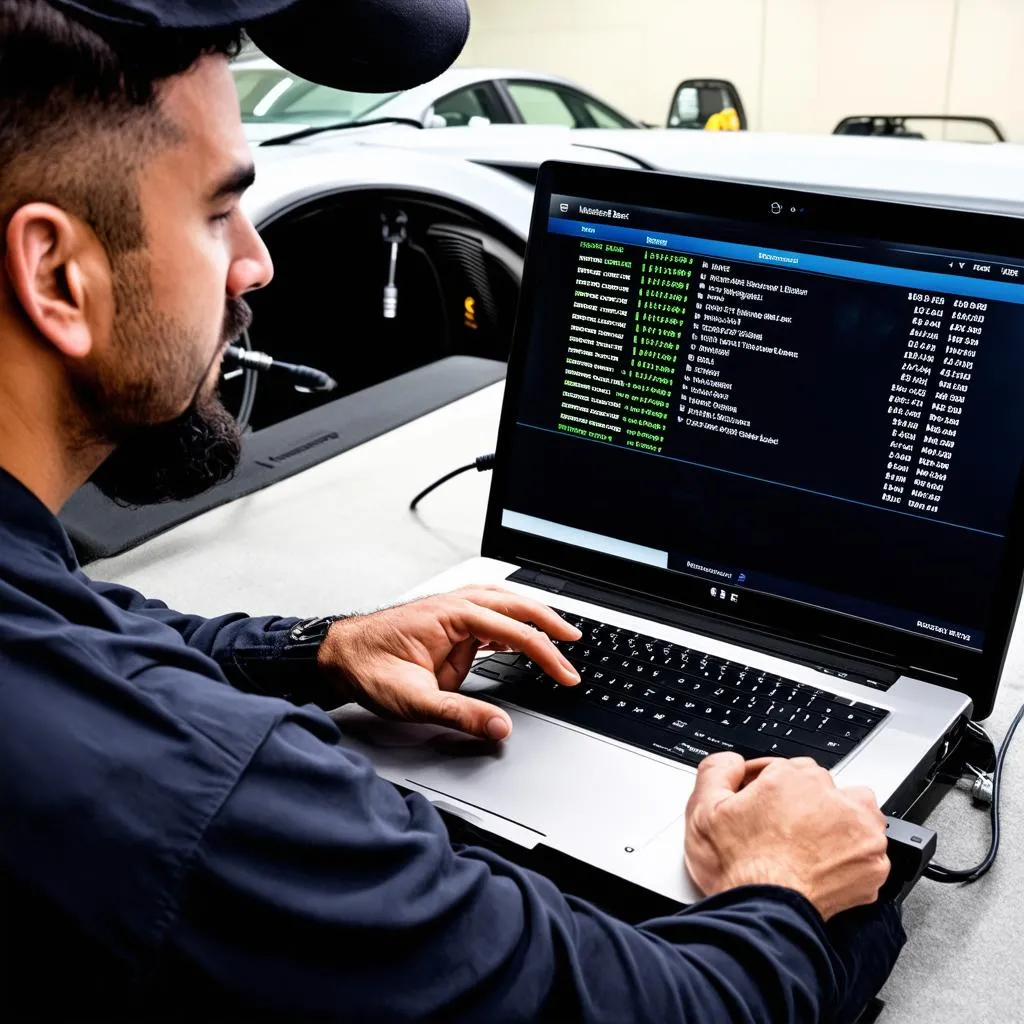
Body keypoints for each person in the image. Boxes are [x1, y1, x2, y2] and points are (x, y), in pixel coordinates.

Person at [0, 2, 903, 1020]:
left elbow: (84, 635)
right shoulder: (194, 800)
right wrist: (785, 884)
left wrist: (320, 646)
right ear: (55, 275)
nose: (256, 262)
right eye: (217, 213)